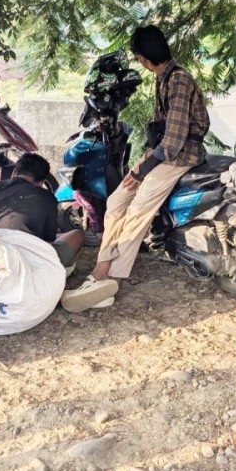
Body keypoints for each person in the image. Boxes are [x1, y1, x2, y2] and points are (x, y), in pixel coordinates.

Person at [61, 25, 211, 312]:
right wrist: (140, 165)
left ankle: (111, 279)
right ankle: (100, 268)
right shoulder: (164, 78)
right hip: (162, 153)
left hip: (181, 155)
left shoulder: (179, 80)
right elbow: (160, 135)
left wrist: (143, 170)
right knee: (117, 200)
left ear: (143, 58)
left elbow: (175, 139)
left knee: (139, 208)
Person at [0, 152, 84, 273]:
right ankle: (61, 273)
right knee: (77, 234)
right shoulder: (47, 198)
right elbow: (48, 242)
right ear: (41, 182)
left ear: (14, 172)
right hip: (25, 261)